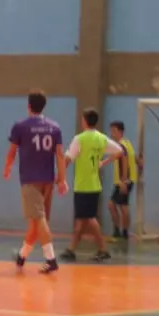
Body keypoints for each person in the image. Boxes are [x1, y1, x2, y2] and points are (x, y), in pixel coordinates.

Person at [3, 91, 69, 274]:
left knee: (39, 219)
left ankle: (51, 259)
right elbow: (60, 154)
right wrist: (62, 179)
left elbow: (12, 151)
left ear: (29, 106)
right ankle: (21, 257)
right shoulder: (54, 127)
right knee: (37, 222)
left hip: (30, 179)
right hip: (47, 180)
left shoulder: (20, 126)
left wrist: (7, 167)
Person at [60, 108, 123, 263]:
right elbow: (120, 151)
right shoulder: (101, 138)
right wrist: (104, 162)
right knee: (82, 219)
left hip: (83, 185)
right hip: (94, 185)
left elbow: (67, 159)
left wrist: (60, 176)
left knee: (88, 218)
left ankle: (102, 249)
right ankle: (71, 249)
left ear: (84, 121)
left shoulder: (80, 139)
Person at [107, 121, 141, 240]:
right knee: (118, 205)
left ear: (120, 132)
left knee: (118, 206)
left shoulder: (121, 145)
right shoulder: (127, 143)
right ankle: (122, 232)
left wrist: (123, 181)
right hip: (125, 180)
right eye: (111, 131)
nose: (112, 134)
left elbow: (124, 162)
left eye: (114, 131)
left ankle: (121, 232)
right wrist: (139, 162)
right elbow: (133, 156)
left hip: (123, 181)